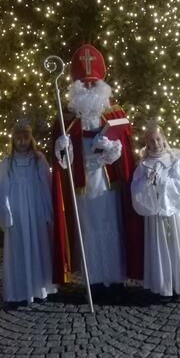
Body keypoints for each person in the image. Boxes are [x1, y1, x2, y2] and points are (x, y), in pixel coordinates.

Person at [52, 44, 143, 300]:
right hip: (83, 185)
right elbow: (61, 162)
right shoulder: (66, 116)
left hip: (107, 184)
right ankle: (94, 281)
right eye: (85, 84)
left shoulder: (114, 112)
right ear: (77, 86)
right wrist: (62, 147)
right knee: (88, 231)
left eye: (93, 84)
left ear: (101, 85)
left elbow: (124, 145)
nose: (89, 88)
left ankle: (115, 280)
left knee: (112, 229)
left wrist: (112, 148)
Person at [131, 122, 180, 303]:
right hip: (155, 216)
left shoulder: (173, 160)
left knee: (176, 245)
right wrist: (147, 183)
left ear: (163, 139)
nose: (155, 144)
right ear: (146, 143)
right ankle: (165, 287)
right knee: (160, 247)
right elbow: (136, 189)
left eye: (158, 139)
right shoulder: (143, 165)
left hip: (174, 214)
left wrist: (163, 183)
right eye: (151, 141)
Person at [0, 119, 57, 304]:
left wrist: (48, 211)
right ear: (13, 140)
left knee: (39, 246)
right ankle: (19, 292)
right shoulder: (7, 164)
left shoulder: (39, 160)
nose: (22, 142)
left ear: (31, 138)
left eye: (25, 137)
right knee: (20, 250)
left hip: (36, 210)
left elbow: (46, 185)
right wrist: (6, 214)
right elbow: (0, 191)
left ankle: (40, 288)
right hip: (18, 213)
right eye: (18, 138)